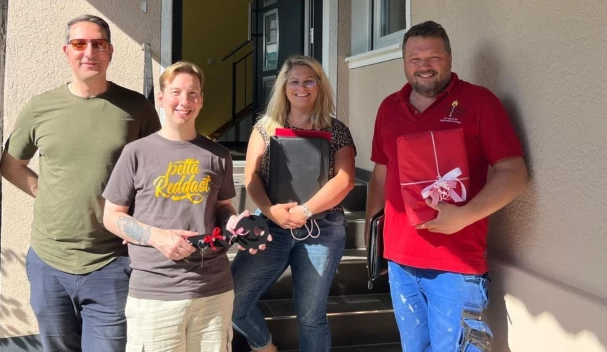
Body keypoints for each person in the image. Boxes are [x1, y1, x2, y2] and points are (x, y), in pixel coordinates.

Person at [365, 21, 529, 352]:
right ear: (404, 62)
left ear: (450, 58)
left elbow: (514, 173)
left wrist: (464, 215)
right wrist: (373, 234)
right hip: (400, 261)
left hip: (455, 264)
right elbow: (381, 174)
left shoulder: (480, 103)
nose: (424, 66)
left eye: (433, 57)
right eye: (415, 59)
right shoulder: (389, 108)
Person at [0, 14, 161, 352]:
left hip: (113, 261)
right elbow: (12, 165)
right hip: (49, 261)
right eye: (79, 43)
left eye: (98, 44)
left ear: (110, 51)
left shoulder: (137, 108)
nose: (89, 51)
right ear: (66, 51)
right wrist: (46, 193)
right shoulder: (40, 108)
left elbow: (156, 173)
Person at [102, 61, 266, 352]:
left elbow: (222, 207)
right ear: (161, 98)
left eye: (193, 94)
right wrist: (156, 237)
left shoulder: (218, 155)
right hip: (155, 293)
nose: (184, 101)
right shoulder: (136, 153)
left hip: (213, 291)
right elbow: (112, 216)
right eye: (176, 92)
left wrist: (232, 224)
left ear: (201, 101)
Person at [231, 55, 357, 352]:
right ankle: (265, 347)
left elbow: (346, 180)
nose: (302, 88)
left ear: (320, 86)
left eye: (309, 81)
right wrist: (272, 211)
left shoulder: (336, 129)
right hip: (270, 227)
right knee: (233, 300)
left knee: (311, 317)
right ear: (283, 87)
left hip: (322, 229)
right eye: (295, 82)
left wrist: (305, 210)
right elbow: (251, 176)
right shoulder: (264, 128)